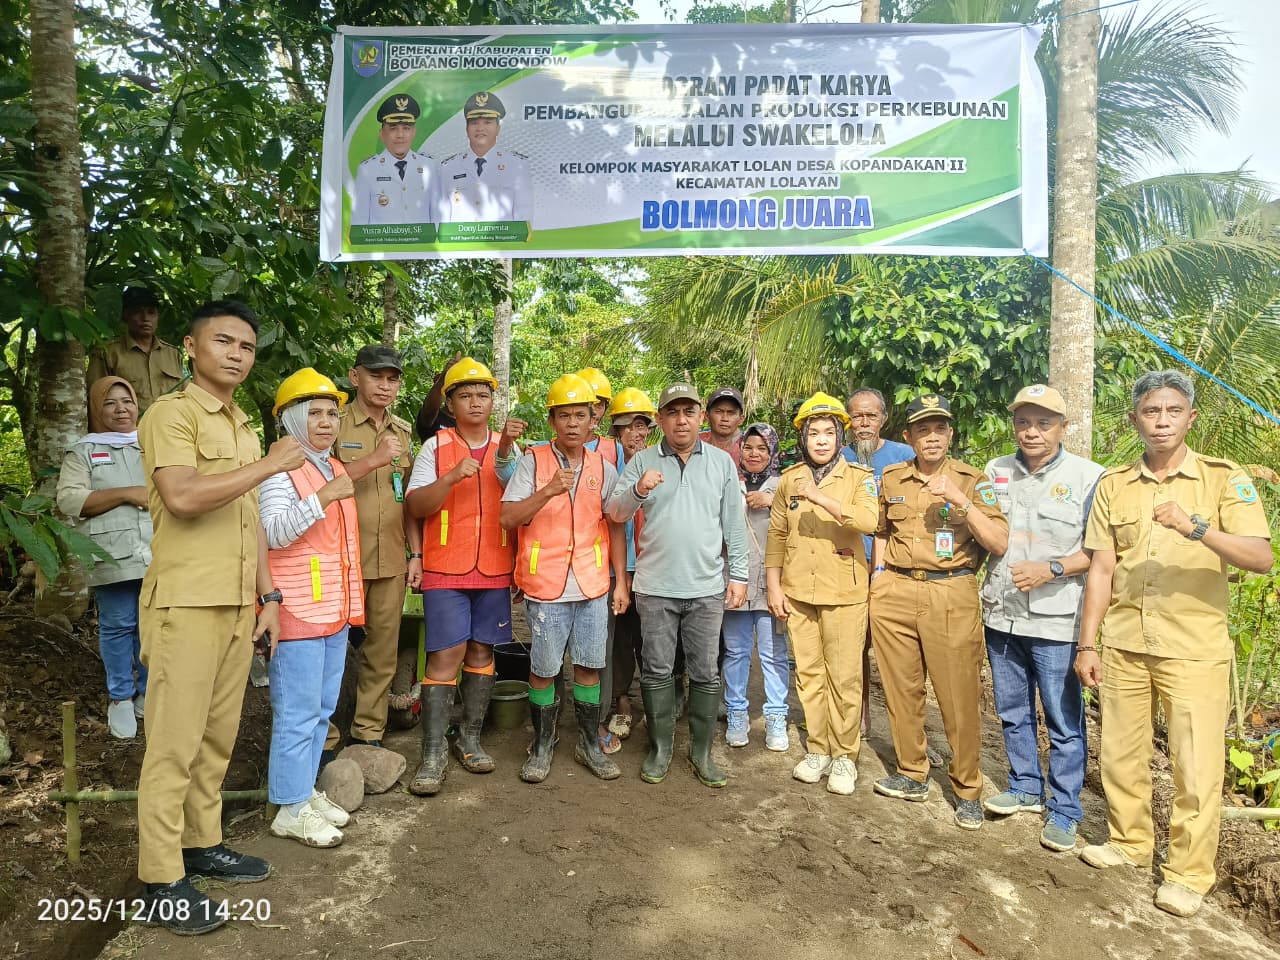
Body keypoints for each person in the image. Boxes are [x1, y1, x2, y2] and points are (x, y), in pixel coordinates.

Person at [1076, 370, 1272, 918]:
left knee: (1195, 764)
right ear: (1134, 418)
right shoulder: (1115, 484)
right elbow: (1101, 568)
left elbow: (1260, 557)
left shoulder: (1221, 479)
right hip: (1123, 642)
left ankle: (1187, 874)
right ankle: (1129, 843)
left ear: (1190, 417)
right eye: (1150, 411)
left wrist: (1197, 529)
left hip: (1192, 646)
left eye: (1171, 411)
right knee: (1119, 752)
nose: (1160, 421)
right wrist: (1087, 644)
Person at [135, 300, 304, 934]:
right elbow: (181, 497)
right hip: (185, 602)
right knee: (173, 745)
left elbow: (250, 517)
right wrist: (269, 465)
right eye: (224, 341)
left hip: (238, 603)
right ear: (190, 347)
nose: (237, 353)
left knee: (215, 739)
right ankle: (159, 877)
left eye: (247, 347)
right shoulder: (169, 416)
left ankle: (201, 843)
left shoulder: (243, 425)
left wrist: (269, 598)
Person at [869, 393, 1009, 830]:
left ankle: (967, 787)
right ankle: (912, 772)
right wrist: (878, 576)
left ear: (950, 434)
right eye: (923, 429)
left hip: (950, 592)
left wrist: (960, 501)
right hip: (894, 590)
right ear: (908, 436)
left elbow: (999, 543)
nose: (932, 437)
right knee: (900, 689)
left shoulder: (972, 480)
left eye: (940, 428)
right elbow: (878, 528)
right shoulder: (891, 477)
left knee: (958, 696)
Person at [981, 385, 1105, 853]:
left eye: (1043, 423)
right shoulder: (996, 471)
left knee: (1062, 718)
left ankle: (1067, 809)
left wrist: (1051, 568)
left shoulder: (1088, 477)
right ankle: (1025, 787)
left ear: (1063, 427)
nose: (1031, 432)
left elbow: (1099, 553)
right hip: (1002, 613)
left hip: (1056, 621)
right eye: (1024, 422)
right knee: (1012, 712)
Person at [607, 383, 749, 788]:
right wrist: (638, 489)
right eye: (672, 412)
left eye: (689, 411)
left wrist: (737, 575)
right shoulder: (642, 461)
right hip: (654, 587)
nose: (681, 419)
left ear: (700, 416)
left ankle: (701, 752)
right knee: (656, 670)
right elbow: (614, 512)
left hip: (706, 587)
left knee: (705, 672)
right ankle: (660, 749)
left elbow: (733, 526)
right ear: (660, 420)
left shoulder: (721, 463)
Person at [404, 357, 524, 795]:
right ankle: (433, 752)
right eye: (465, 395)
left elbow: (524, 510)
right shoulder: (436, 447)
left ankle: (470, 740)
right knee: (445, 655)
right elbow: (414, 506)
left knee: (481, 650)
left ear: (494, 401)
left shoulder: (508, 449)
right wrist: (452, 477)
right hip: (445, 567)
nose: (475, 401)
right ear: (450, 404)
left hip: (494, 566)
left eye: (483, 394)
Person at [500, 374, 629, 782]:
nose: (573, 423)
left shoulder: (603, 466)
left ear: (593, 421)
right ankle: (542, 744)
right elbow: (508, 517)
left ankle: (589, 744)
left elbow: (614, 523)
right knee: (543, 668)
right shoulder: (532, 461)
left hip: (592, 584)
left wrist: (621, 581)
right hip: (546, 585)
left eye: (581, 415)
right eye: (564, 415)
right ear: (552, 420)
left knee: (589, 668)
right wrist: (548, 491)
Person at [259, 369, 364, 849]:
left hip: (335, 608)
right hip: (298, 607)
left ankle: (303, 792)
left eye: (331, 414)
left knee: (321, 710)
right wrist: (323, 498)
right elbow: (273, 533)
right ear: (290, 420)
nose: (326, 422)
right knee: (297, 713)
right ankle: (288, 806)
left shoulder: (332, 465)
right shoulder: (279, 468)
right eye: (314, 414)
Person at [766, 396, 877, 793]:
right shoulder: (789, 478)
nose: (821, 440)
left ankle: (845, 756)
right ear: (803, 437)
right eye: (813, 433)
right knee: (809, 674)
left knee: (845, 677)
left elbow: (868, 520)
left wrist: (820, 497)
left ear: (840, 436)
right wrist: (774, 587)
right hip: (797, 591)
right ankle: (819, 748)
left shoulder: (860, 477)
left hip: (844, 591)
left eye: (829, 433)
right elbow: (777, 536)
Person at [326, 345, 422, 754]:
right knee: (329, 650)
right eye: (376, 376)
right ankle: (326, 738)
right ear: (355, 377)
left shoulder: (401, 431)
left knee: (382, 652)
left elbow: (410, 500)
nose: (385, 385)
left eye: (392, 378)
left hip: (389, 560)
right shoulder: (333, 422)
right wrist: (373, 459)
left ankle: (368, 735)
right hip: (339, 558)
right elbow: (317, 485)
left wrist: (415, 554)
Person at [56, 377, 153, 740]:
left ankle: (148, 692)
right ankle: (120, 698)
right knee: (117, 625)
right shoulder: (84, 451)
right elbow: (69, 500)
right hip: (111, 553)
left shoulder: (152, 443)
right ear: (97, 409)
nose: (120, 410)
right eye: (110, 403)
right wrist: (127, 493)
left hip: (157, 549)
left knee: (151, 626)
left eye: (126, 401)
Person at [840, 386, 916, 737]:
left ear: (883, 419)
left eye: (871, 415)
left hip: (894, 571)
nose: (864, 423)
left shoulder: (905, 456)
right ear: (848, 421)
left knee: (896, 652)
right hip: (849, 568)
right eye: (857, 415)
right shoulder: (837, 457)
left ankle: (909, 728)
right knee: (854, 647)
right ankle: (859, 715)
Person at [723, 423, 789, 752]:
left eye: (762, 448)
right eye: (748, 447)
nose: (754, 453)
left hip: (772, 585)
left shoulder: (785, 485)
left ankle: (776, 717)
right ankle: (736, 713)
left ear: (772, 452)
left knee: (774, 654)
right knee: (735, 652)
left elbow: (799, 523)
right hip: (734, 581)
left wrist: (772, 501)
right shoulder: (728, 482)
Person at [604, 388, 656, 741]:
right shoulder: (606, 465)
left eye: (642, 427)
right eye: (629, 427)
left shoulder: (661, 461)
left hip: (654, 566)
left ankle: (657, 707)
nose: (636, 434)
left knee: (654, 639)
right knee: (619, 637)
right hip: (615, 566)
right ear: (617, 431)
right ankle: (621, 702)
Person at [434, 91, 532, 224]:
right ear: (466, 129)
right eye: (474, 123)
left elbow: (524, 216)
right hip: (460, 243)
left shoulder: (517, 165)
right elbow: (442, 219)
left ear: (498, 128)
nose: (480, 128)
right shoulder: (448, 167)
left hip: (501, 243)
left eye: (487, 122)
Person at [86, 287, 184, 412]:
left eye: (151, 312)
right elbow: (95, 399)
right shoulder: (107, 352)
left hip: (170, 428)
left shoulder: (173, 354)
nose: (145, 318)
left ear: (158, 317)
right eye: (137, 312)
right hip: (126, 430)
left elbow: (184, 396)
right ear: (125, 315)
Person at [350, 93, 435, 225]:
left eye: (406, 128)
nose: (400, 135)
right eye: (393, 128)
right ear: (382, 134)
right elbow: (359, 223)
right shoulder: (367, 170)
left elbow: (438, 218)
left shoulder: (429, 167)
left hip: (423, 246)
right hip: (381, 245)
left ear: (414, 132)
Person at [700, 386, 745, 468]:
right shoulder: (695, 442)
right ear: (707, 416)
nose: (725, 418)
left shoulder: (752, 445)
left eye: (731, 413)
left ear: (741, 419)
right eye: (718, 412)